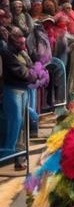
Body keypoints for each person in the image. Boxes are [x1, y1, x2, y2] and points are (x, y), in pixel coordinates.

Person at [1, 27, 36, 170]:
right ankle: (7, 157)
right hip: (13, 90)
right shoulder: (7, 53)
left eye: (24, 43)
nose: (23, 46)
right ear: (13, 42)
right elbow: (20, 71)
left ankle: (19, 159)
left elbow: (30, 66)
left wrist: (35, 72)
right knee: (15, 124)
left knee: (22, 125)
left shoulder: (22, 53)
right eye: (20, 43)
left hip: (23, 89)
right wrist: (34, 76)